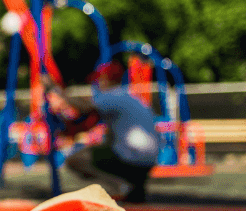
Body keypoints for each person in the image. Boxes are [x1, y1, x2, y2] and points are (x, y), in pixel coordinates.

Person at [44, 62, 159, 203]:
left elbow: (84, 107)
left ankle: (120, 186)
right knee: (111, 140)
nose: (97, 84)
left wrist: (57, 91)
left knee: (75, 160)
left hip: (132, 158)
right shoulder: (130, 97)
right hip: (149, 160)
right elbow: (89, 122)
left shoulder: (113, 96)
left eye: (99, 80)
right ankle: (135, 188)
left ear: (106, 79)